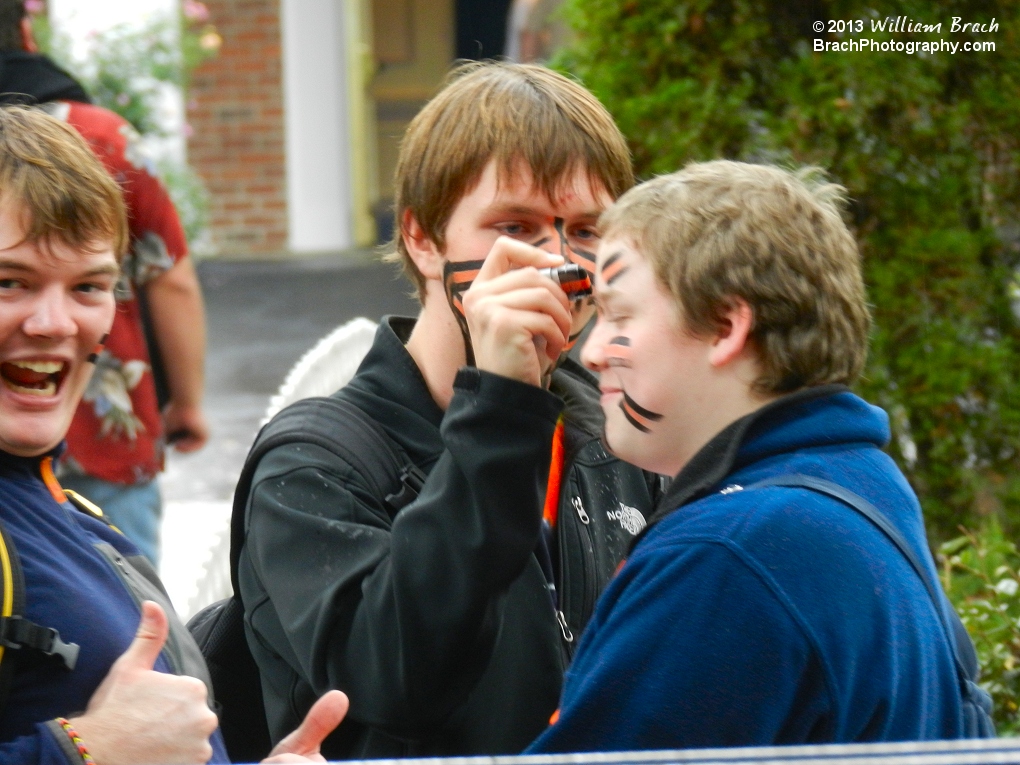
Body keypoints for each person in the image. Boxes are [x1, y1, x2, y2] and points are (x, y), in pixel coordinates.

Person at [238, 61, 660, 759]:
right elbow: (396, 681)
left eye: (585, 229)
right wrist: (501, 408)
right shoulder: (312, 465)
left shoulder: (616, 433)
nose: (554, 260)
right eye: (514, 224)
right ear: (422, 238)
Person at [527, 161, 973, 752]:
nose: (594, 350)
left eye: (620, 315)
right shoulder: (860, 480)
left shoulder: (727, 553)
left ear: (725, 326)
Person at [0, 105, 346, 765]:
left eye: (87, 286)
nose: (54, 322)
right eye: (10, 281)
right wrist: (84, 750)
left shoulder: (67, 509)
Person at [0, 0, 209, 565]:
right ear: (26, 30)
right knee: (132, 603)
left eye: (86, 286)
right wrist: (185, 402)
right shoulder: (106, 138)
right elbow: (172, 280)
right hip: (107, 434)